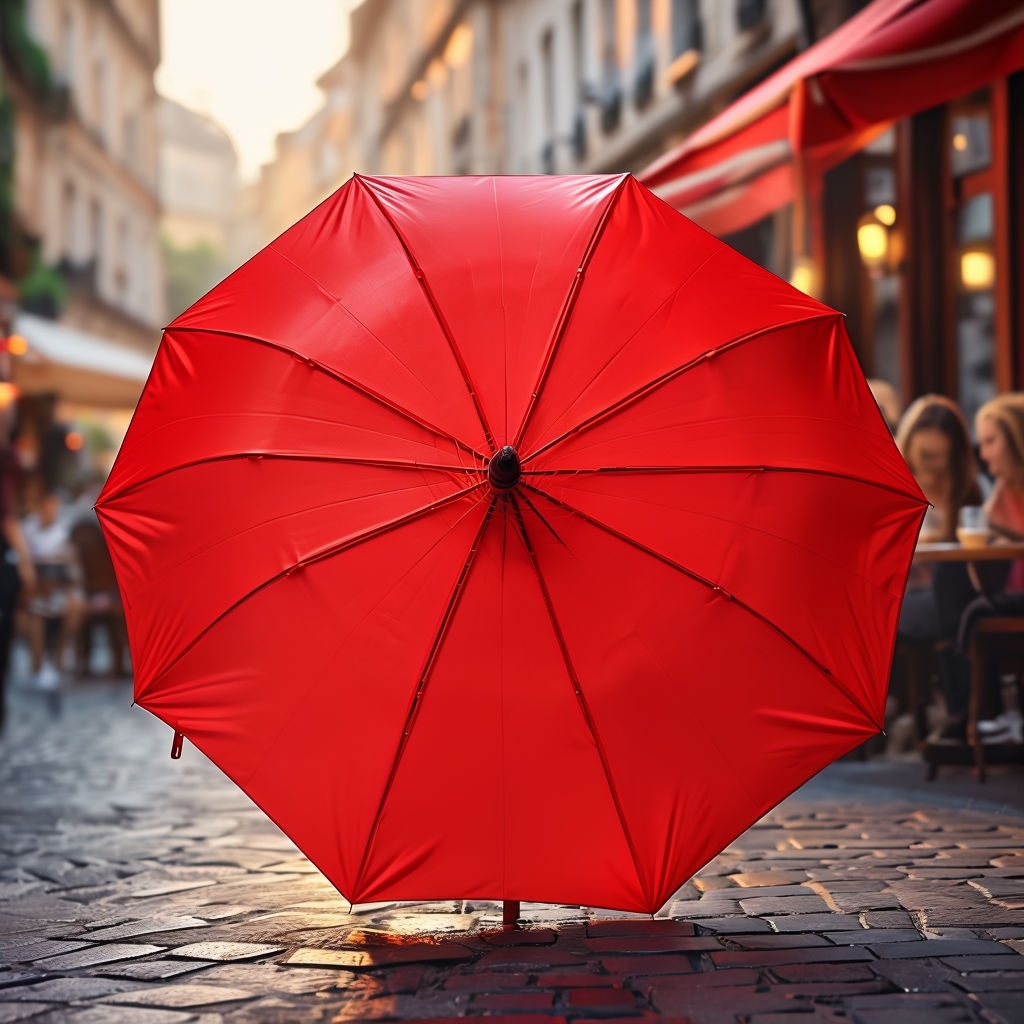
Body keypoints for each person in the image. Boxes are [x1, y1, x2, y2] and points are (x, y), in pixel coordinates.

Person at [934, 392, 1024, 738]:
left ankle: (969, 712)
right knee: (953, 582)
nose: (983, 454)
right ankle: (972, 710)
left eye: (991, 441)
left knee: (968, 607)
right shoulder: (1004, 490)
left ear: (1016, 439)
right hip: (1008, 590)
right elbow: (981, 538)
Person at [894, 395, 980, 641]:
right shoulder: (895, 490)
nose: (932, 465)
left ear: (954, 454)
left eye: (940, 455)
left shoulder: (967, 491)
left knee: (956, 599)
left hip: (949, 596)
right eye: (925, 455)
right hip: (905, 593)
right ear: (907, 446)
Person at [21, 488, 84, 697]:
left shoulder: (63, 533)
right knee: (35, 613)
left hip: (58, 588)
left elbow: (72, 570)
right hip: (35, 590)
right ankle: (38, 664)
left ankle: (58, 657)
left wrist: (68, 587)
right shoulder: (28, 531)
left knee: (75, 606)